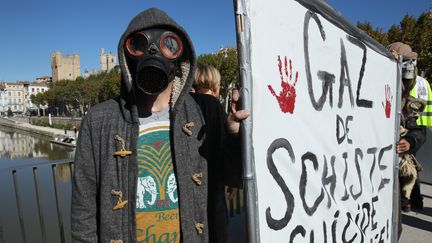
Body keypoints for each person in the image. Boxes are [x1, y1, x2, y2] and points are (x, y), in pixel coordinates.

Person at [71, 8, 249, 243]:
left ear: (180, 59)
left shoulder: (206, 110)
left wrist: (235, 134)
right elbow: (83, 212)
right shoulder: (99, 120)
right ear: (128, 59)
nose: (153, 51)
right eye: (139, 45)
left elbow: (234, 177)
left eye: (169, 45)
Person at [387, 42, 426, 214]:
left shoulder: (406, 101)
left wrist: (409, 141)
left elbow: (419, 131)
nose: (409, 69)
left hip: (395, 175)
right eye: (405, 63)